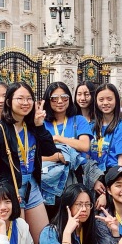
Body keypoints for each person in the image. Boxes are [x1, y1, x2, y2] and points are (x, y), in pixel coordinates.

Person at [0, 81, 58, 244]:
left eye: (29, 98)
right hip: (12, 189)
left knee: (44, 241)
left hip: (32, 186)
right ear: (9, 101)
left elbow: (50, 150)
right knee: (19, 243)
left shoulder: (33, 126)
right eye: (20, 98)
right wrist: (6, 191)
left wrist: (40, 126)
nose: (25, 103)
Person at [41, 81, 92, 209]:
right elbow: (34, 155)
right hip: (47, 180)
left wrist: (58, 138)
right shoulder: (42, 123)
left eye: (64, 97)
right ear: (48, 100)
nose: (60, 101)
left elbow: (85, 146)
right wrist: (57, 157)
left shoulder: (78, 120)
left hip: (74, 177)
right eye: (54, 98)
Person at [89, 84, 122, 178]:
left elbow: (121, 162)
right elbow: (86, 156)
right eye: (101, 100)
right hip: (92, 176)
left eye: (109, 99)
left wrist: (113, 181)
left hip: (112, 176)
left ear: (116, 100)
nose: (105, 103)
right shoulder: (91, 126)